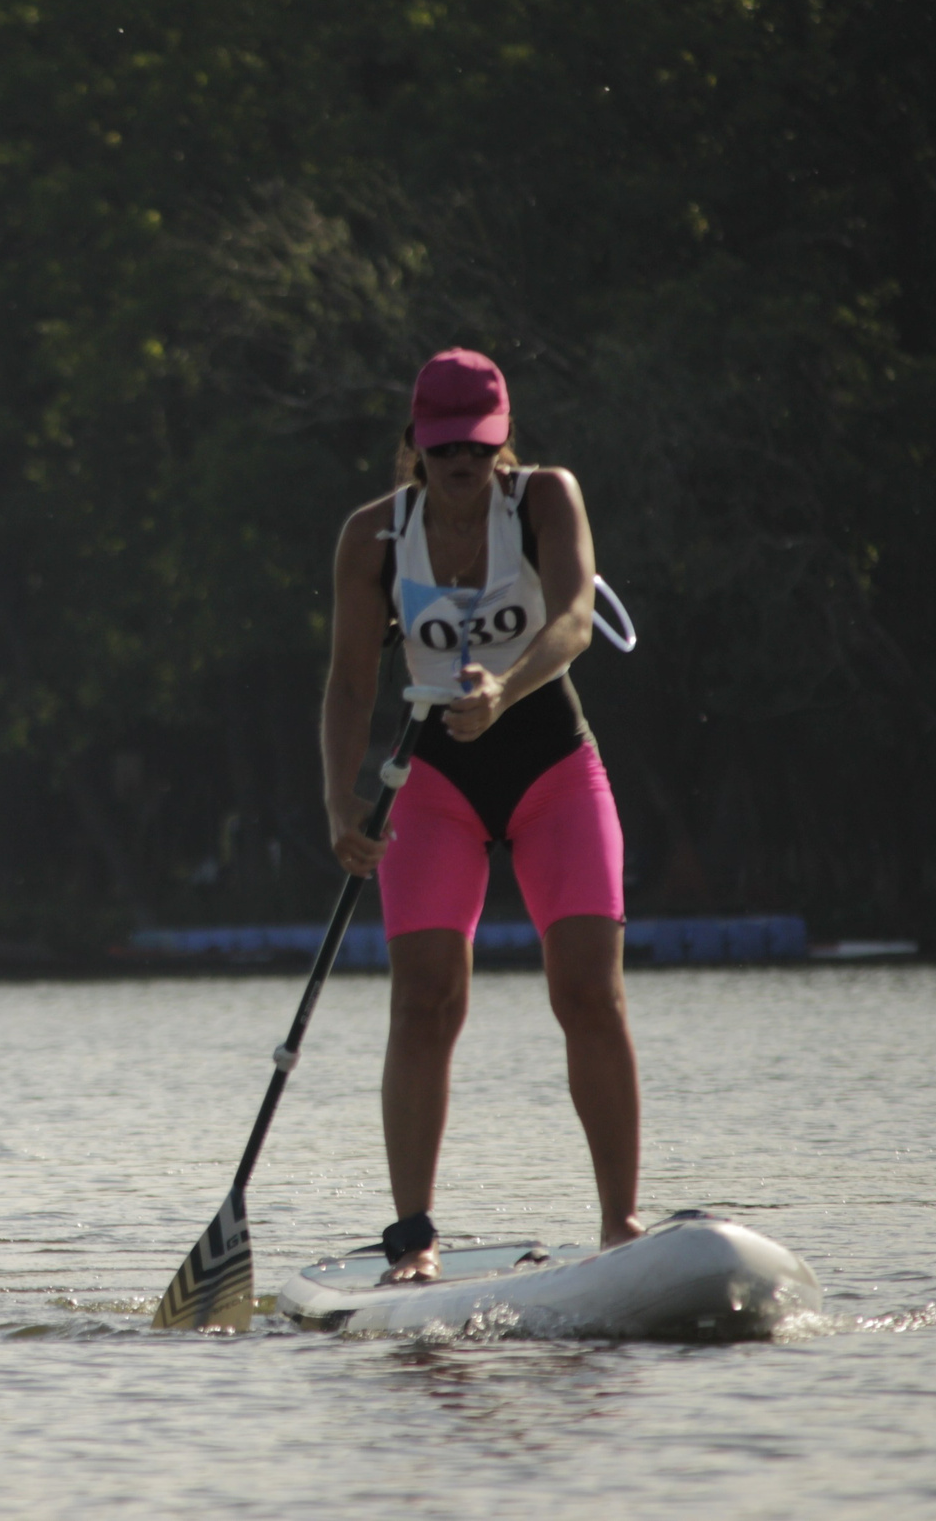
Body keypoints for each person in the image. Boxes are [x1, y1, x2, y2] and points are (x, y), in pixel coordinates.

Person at [320, 349, 640, 1284]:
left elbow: (576, 617)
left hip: (549, 756)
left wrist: (503, 688)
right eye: (445, 447)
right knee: (426, 1002)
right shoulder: (373, 537)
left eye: (478, 446)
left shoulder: (545, 500)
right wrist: (341, 801)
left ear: (503, 442)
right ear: (417, 447)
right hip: (433, 779)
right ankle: (413, 1241)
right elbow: (348, 681)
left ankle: (620, 1225)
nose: (462, 463)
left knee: (588, 988)